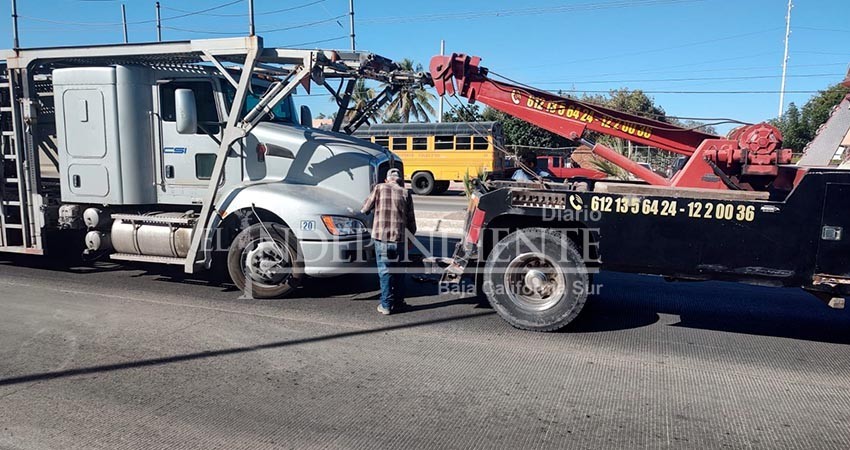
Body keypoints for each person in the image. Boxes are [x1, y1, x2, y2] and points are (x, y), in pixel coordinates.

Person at [361, 168, 416, 315]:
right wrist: (411, 239)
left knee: (385, 271)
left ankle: (386, 305)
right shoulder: (406, 193)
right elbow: (411, 222)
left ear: (386, 179)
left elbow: (364, 208)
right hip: (400, 239)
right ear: (400, 180)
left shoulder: (379, 188)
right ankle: (398, 302)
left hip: (382, 238)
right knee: (399, 272)